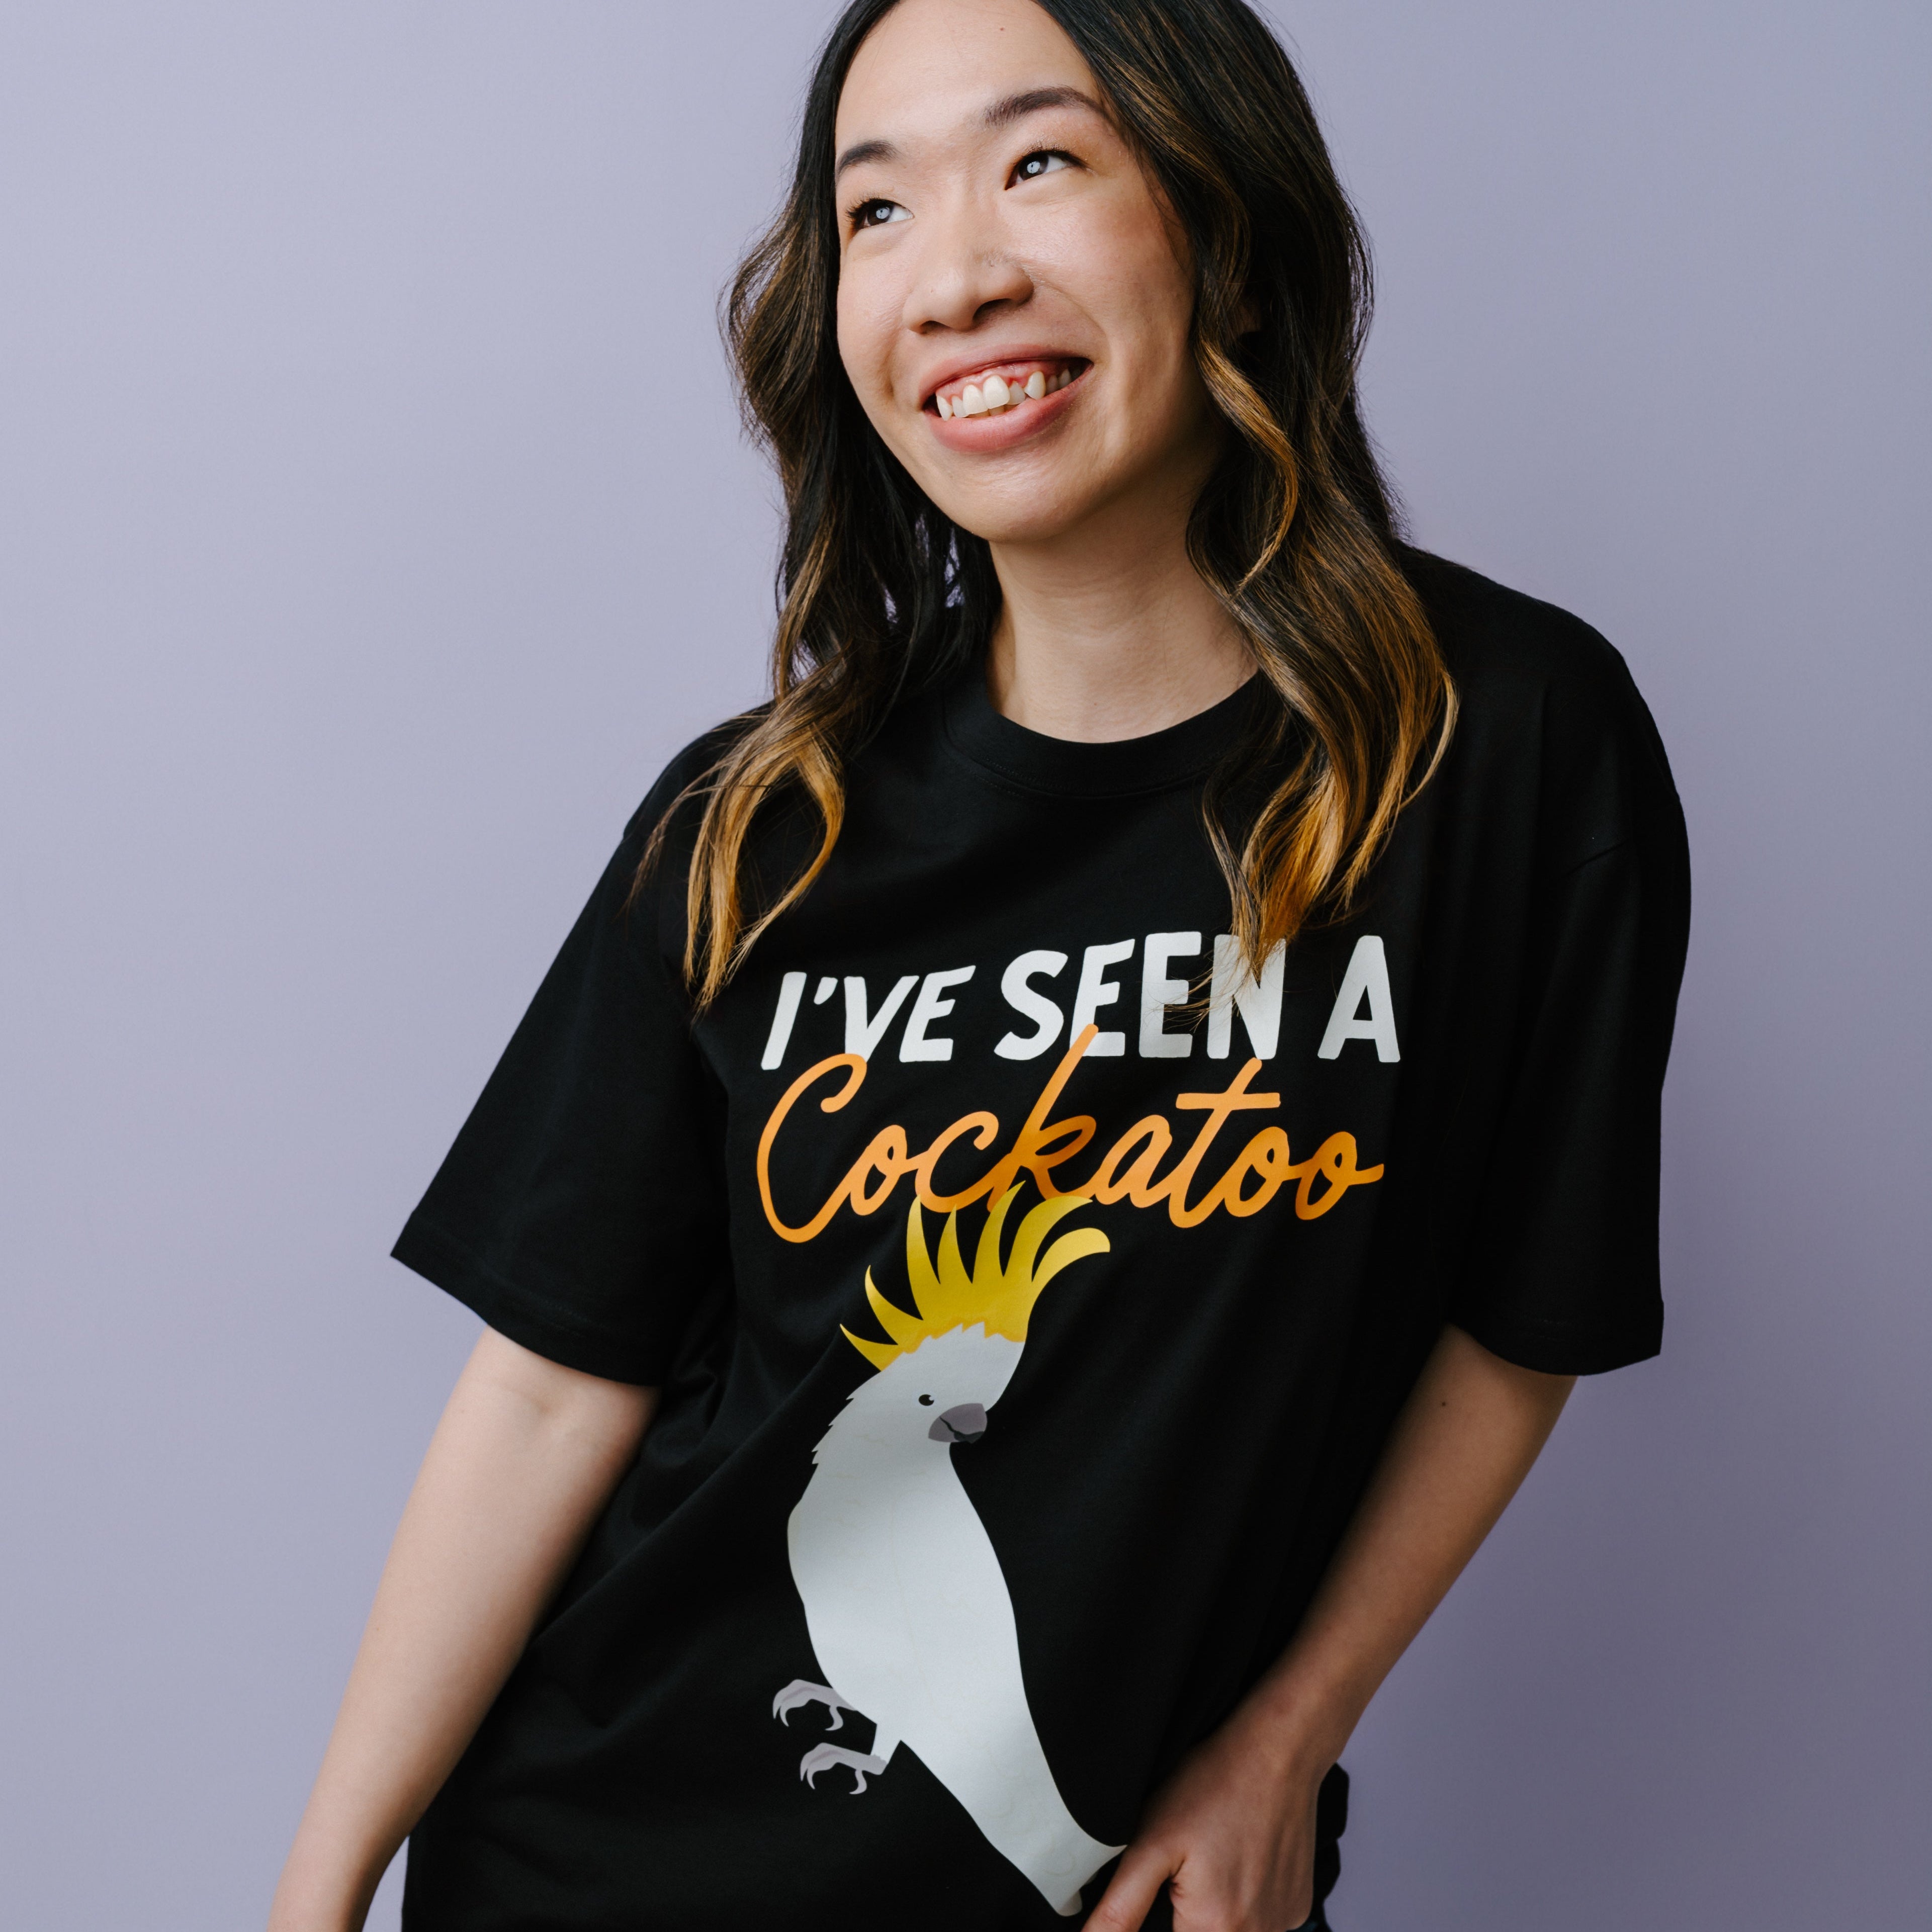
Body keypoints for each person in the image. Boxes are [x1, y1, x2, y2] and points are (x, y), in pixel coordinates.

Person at [267, 1, 1690, 1927]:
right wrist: (316, 1892)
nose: (953, 276)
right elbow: (543, 1392)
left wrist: (1281, 1742)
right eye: (874, 210)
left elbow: (1522, 1315)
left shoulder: (1502, 747)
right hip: (601, 1859)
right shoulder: (758, 827)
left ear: (1228, 231)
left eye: (1042, 161)